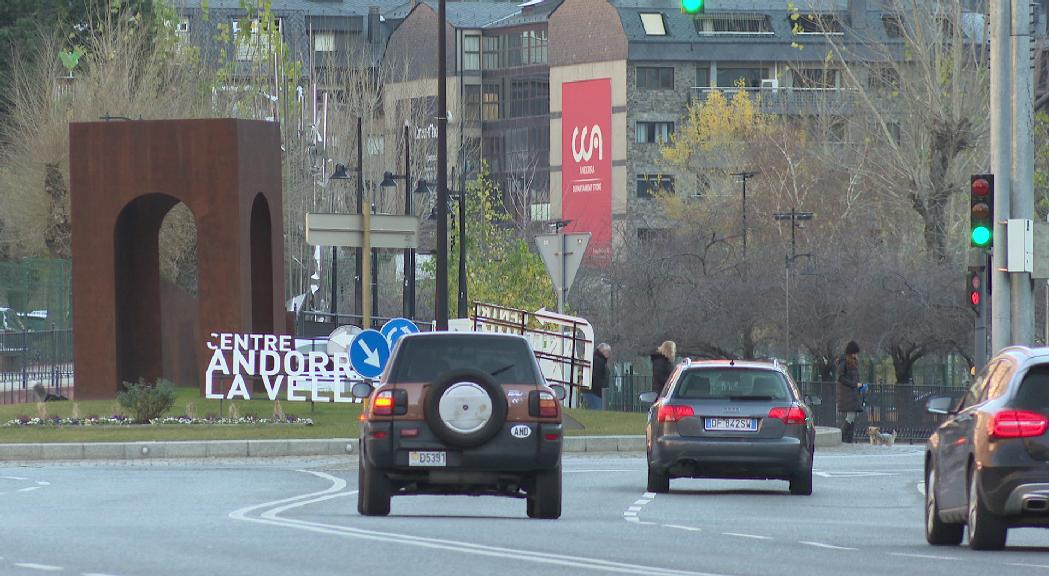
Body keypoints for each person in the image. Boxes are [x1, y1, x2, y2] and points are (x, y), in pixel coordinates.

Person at [836, 340, 864, 443]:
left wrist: (858, 385)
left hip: (852, 393)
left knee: (852, 417)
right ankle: (843, 437)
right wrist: (855, 384)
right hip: (847, 393)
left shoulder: (852, 361)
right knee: (850, 416)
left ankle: (848, 439)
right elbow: (841, 378)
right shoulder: (844, 362)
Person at [584, 343, 611, 409]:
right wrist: (601, 386)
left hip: (595, 391)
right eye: (607, 351)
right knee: (597, 410)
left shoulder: (599, 360)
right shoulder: (598, 361)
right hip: (595, 392)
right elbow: (596, 377)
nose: (608, 354)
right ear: (602, 351)